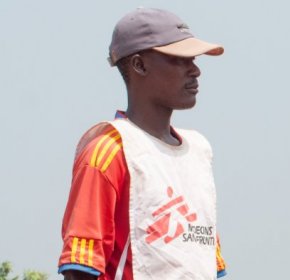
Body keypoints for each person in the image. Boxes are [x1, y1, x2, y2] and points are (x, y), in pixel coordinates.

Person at [57, 7, 227, 280]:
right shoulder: (110, 150)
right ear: (140, 65)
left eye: (193, 59)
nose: (195, 70)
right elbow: (80, 271)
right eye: (179, 59)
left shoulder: (198, 152)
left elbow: (206, 266)